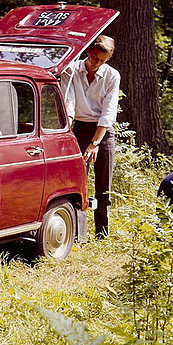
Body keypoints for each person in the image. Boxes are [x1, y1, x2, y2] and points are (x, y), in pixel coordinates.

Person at [60, 35, 120, 238]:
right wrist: (66, 130)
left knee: (104, 185)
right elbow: (68, 103)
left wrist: (95, 143)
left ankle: (102, 233)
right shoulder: (72, 70)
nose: (97, 63)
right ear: (88, 52)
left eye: (102, 61)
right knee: (78, 182)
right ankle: (78, 234)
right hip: (79, 128)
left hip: (103, 133)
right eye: (95, 58)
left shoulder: (112, 76)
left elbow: (108, 113)